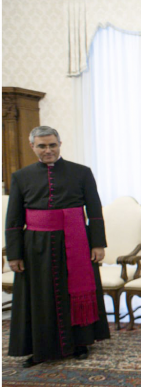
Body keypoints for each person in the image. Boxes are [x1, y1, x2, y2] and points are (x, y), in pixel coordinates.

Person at [5, 126, 110, 368]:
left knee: (74, 292)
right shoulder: (21, 176)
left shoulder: (82, 172)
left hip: (75, 241)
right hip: (36, 246)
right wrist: (14, 254)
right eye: (42, 146)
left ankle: (80, 343)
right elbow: (13, 219)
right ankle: (39, 348)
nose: (48, 150)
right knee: (39, 296)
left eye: (52, 145)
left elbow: (94, 211)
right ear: (33, 146)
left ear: (59, 144)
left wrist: (98, 243)